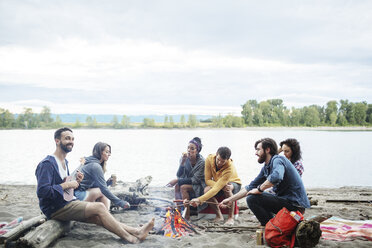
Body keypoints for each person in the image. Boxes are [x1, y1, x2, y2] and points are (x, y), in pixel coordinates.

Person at [35, 127, 154, 244]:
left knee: (99, 218)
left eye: (72, 139)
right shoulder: (48, 164)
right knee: (100, 207)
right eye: (67, 138)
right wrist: (67, 184)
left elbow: (63, 185)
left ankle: (137, 231)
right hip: (55, 208)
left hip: (66, 202)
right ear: (57, 141)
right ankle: (131, 239)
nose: (71, 141)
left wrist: (77, 181)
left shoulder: (64, 162)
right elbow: (43, 192)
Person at [220, 138, 310, 227]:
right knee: (252, 195)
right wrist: (230, 200)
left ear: (267, 150)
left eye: (258, 150)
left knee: (252, 198)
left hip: (295, 206)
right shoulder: (266, 167)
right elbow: (250, 187)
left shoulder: (277, 160)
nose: (256, 153)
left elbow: (277, 176)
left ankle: (270, 226)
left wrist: (259, 189)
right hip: (286, 202)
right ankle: (272, 225)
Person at [186, 146, 242, 225]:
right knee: (206, 190)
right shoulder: (209, 159)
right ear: (216, 154)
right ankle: (219, 216)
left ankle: (230, 218)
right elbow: (208, 180)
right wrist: (219, 185)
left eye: (223, 162)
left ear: (228, 160)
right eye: (218, 160)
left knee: (227, 189)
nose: (219, 163)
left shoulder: (230, 167)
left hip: (234, 183)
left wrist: (199, 200)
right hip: (219, 183)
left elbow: (216, 189)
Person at [74, 142, 129, 210]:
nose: (109, 154)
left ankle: (102, 215)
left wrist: (107, 183)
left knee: (102, 192)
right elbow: (103, 189)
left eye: (109, 152)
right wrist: (121, 203)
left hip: (77, 193)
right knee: (103, 193)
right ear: (100, 152)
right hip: (78, 195)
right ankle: (105, 215)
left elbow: (93, 185)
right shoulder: (95, 166)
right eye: (107, 152)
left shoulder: (90, 162)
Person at [166, 137, 206, 220]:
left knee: (183, 187)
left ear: (197, 151)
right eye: (188, 148)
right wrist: (182, 163)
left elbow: (196, 179)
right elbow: (179, 175)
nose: (189, 150)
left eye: (192, 149)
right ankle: (179, 211)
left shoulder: (202, 162)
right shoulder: (184, 158)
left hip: (199, 185)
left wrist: (177, 180)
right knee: (177, 186)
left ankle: (187, 216)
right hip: (188, 182)